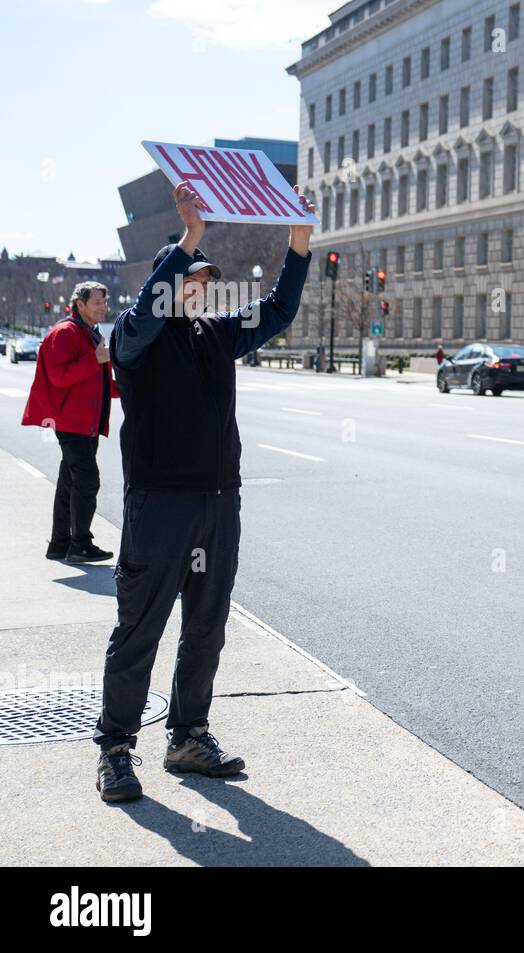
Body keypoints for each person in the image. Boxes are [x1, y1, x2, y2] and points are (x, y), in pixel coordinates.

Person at [93, 180, 316, 803]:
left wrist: (299, 242)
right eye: (189, 279)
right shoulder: (137, 342)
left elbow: (276, 311)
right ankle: (115, 749)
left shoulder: (219, 334)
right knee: (139, 628)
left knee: (207, 626)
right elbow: (140, 319)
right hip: (159, 506)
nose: (200, 288)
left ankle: (188, 736)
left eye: (205, 281)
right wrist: (189, 237)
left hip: (219, 505)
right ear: (167, 289)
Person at [21, 281, 119, 563]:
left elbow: (98, 382)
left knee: (70, 482)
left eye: (104, 301)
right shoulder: (64, 333)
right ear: (80, 304)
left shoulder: (91, 333)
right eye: (98, 302)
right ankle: (80, 544)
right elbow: (59, 377)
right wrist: (96, 358)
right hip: (71, 423)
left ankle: (60, 543)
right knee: (87, 481)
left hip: (87, 423)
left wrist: (128, 388)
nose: (103, 307)